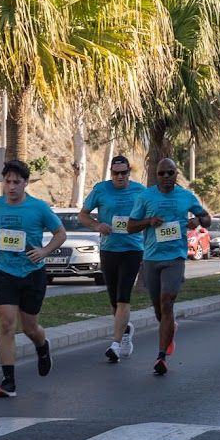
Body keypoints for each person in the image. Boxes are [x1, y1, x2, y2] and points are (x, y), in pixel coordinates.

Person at [0, 159, 66, 398]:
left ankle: (42, 346)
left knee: (29, 327)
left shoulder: (38, 208)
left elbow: (60, 233)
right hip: (4, 272)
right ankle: (8, 381)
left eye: (17, 182)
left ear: (26, 183)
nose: (12, 186)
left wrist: (44, 251)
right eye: (8, 181)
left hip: (32, 273)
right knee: (6, 322)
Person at [127, 158, 211, 376]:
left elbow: (207, 218)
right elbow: (130, 226)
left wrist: (198, 220)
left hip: (175, 258)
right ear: (157, 175)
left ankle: (161, 356)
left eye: (170, 173)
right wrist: (148, 221)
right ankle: (170, 328)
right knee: (159, 308)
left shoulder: (186, 196)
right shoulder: (146, 197)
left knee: (167, 301)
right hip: (152, 258)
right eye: (162, 173)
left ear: (176, 174)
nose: (166, 177)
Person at [80, 155, 146, 363]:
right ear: (111, 173)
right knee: (113, 299)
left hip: (133, 248)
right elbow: (83, 215)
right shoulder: (101, 189)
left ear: (129, 172)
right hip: (109, 249)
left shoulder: (140, 191)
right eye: (115, 173)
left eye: (123, 173)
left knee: (123, 296)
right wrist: (96, 226)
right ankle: (125, 330)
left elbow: (149, 214)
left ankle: (115, 344)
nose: (119, 177)